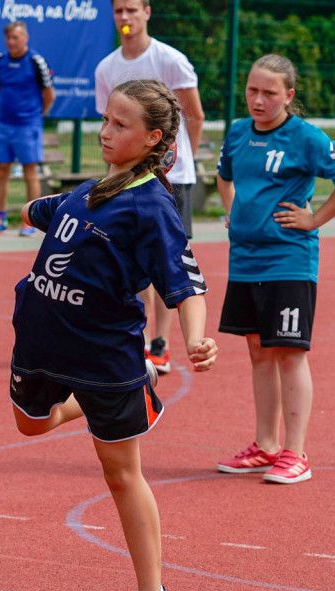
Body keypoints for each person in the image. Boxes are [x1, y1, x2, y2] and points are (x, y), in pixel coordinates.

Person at [9, 80, 217, 591]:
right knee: (29, 424)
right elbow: (50, 214)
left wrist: (197, 339)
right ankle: (115, 397)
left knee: (120, 473)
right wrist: (27, 210)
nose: (105, 131)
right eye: (105, 119)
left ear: (152, 138)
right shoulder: (94, 187)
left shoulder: (152, 206)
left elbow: (187, 283)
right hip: (41, 345)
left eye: (120, 125)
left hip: (103, 355)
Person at [214, 54, 335, 483]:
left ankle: (296, 453)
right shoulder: (238, 133)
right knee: (258, 352)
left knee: (289, 353)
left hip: (288, 259)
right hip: (244, 259)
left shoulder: (305, 138)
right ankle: (265, 446)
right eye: (252, 90)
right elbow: (224, 176)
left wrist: (315, 220)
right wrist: (235, 211)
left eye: (269, 93)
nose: (258, 100)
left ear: (289, 95)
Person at [95, 0, 206, 377]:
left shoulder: (171, 60)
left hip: (172, 179)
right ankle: (139, 341)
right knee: (129, 257)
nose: (125, 18)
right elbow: (112, 124)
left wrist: (177, 159)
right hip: (127, 178)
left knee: (168, 260)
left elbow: (194, 115)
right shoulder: (107, 68)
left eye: (131, 10)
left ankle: (161, 342)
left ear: (147, 12)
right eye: (118, 11)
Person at [0, 21, 55, 237]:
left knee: (30, 172)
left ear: (25, 39)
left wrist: (35, 116)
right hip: (3, 125)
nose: (11, 42)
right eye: (8, 38)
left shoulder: (35, 61)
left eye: (16, 37)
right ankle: (0, 217)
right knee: (1, 171)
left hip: (28, 125)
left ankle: (31, 221)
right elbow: (0, 89)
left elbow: (49, 95)